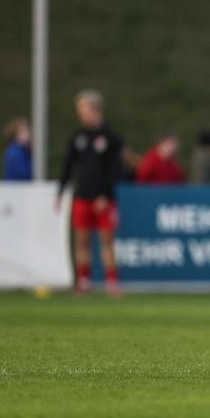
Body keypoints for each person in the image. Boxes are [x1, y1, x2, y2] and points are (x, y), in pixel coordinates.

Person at [56, 90, 125, 296]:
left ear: (95, 110)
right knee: (82, 240)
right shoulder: (78, 137)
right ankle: (84, 281)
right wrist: (60, 191)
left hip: (104, 199)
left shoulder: (111, 138)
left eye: (83, 110)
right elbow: (68, 166)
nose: (81, 115)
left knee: (106, 241)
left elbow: (115, 171)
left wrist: (105, 194)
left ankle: (112, 283)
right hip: (82, 196)